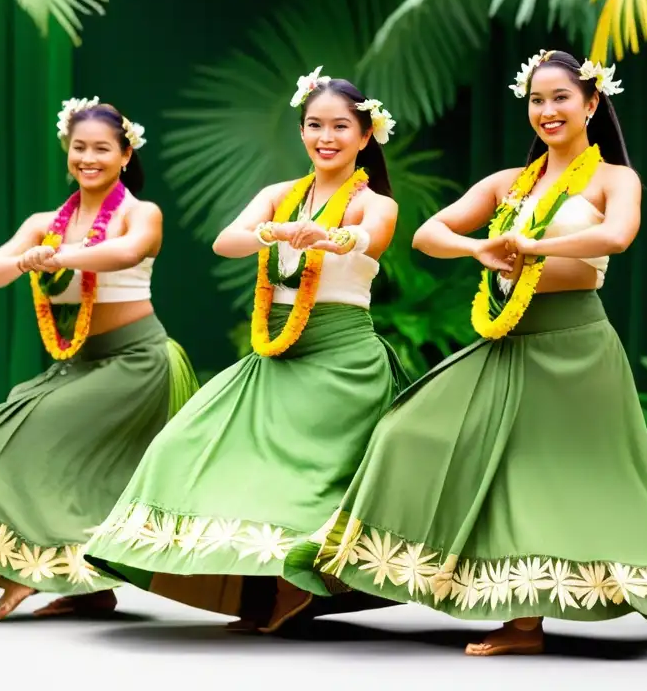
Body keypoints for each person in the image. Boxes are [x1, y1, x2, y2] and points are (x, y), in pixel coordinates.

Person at [286, 50, 647, 657]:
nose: (548, 111)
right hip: (506, 339)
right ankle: (358, 567)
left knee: (544, 472)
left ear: (592, 104)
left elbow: (618, 235)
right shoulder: (511, 182)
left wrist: (532, 245)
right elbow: (430, 234)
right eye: (537, 100)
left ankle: (523, 619)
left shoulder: (615, 177)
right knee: (406, 432)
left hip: (576, 343)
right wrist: (481, 247)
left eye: (561, 98)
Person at [83, 69, 406, 633]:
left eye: (338, 126)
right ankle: (257, 583)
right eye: (313, 125)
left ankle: (296, 585)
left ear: (365, 135)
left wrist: (333, 238)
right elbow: (226, 240)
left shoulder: (373, 201)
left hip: (342, 361)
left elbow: (372, 236)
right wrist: (276, 232)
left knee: (299, 475)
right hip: (275, 354)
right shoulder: (280, 196)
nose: (324, 136)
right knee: (183, 445)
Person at [0, 99, 198, 620]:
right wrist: (23, 257)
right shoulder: (45, 222)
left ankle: (33, 573)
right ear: (67, 153)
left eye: (102, 149)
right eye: (79, 148)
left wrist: (56, 257)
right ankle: (85, 585)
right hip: (81, 362)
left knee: (50, 438)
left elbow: (124, 253)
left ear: (124, 155)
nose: (88, 158)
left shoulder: (140, 213)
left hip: (139, 363)